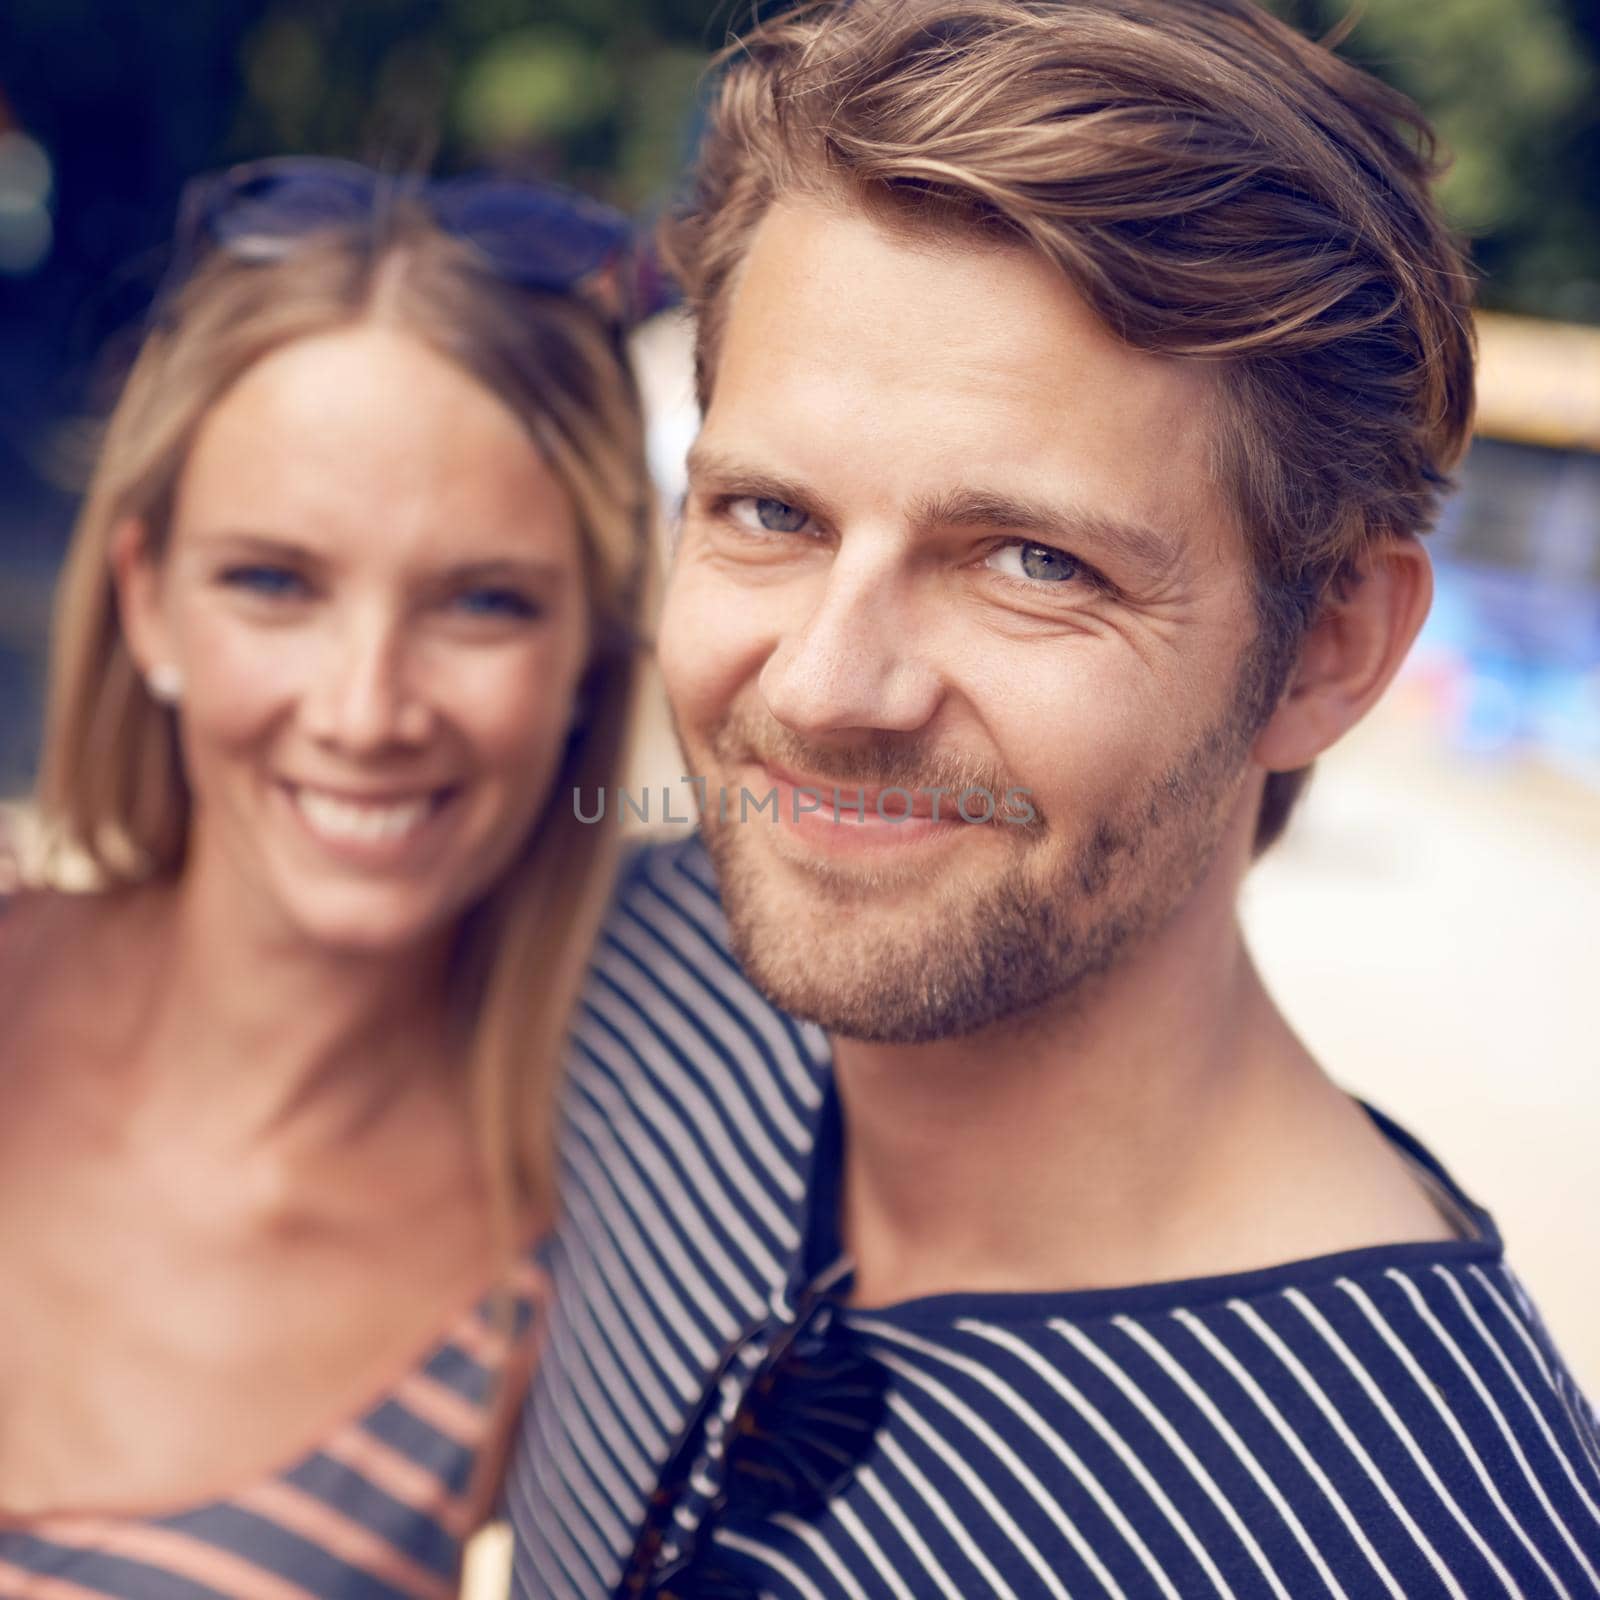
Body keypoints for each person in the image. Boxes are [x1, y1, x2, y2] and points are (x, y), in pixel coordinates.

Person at [507, 2, 1600, 1596]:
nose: (821, 689)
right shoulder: (638, 972)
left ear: (1334, 647)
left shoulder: (1422, 1533)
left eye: (1035, 561)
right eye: (769, 512)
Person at [0, 159, 649, 1597]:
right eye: (276, 583)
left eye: (483, 602)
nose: (367, 711)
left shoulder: (562, 1293)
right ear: (143, 597)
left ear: (585, 659)